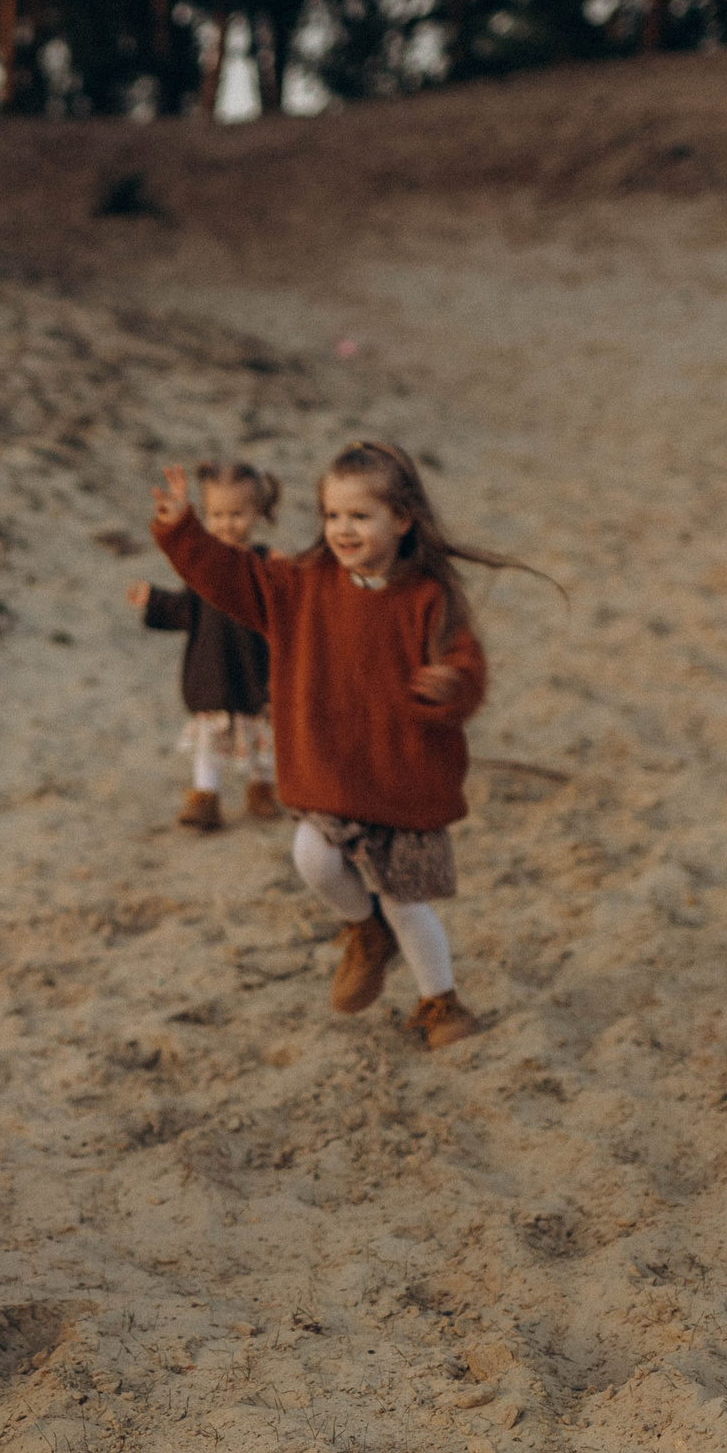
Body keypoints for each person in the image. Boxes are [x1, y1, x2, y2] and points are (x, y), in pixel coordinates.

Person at [148, 442, 551, 1050]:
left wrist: (452, 684)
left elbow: (466, 664)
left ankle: (440, 1002)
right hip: (331, 774)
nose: (343, 529)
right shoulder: (301, 584)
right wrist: (181, 531)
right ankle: (365, 932)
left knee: (405, 902)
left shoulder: (427, 596)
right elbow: (229, 578)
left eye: (360, 516)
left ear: (402, 519)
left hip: (400, 779)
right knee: (313, 858)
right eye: (333, 516)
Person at [125, 461, 281, 831]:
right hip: (212, 672)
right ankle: (205, 797)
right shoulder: (205, 567)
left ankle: (262, 788)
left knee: (261, 738)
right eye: (217, 514)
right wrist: (154, 600)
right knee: (209, 743)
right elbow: (185, 610)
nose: (227, 524)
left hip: (255, 670)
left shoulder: (265, 564)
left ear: (258, 512)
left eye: (237, 514)